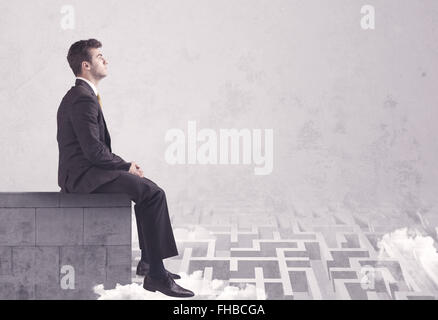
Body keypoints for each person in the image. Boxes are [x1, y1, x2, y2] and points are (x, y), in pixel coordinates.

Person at [56, 38, 194, 298]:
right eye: (99, 57)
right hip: (83, 178)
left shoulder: (81, 95)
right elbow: (94, 152)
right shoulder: (82, 99)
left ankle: (149, 262)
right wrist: (126, 165)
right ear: (86, 65)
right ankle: (156, 276)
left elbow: (94, 151)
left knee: (148, 190)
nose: (105, 60)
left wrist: (123, 167)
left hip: (87, 172)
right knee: (153, 194)